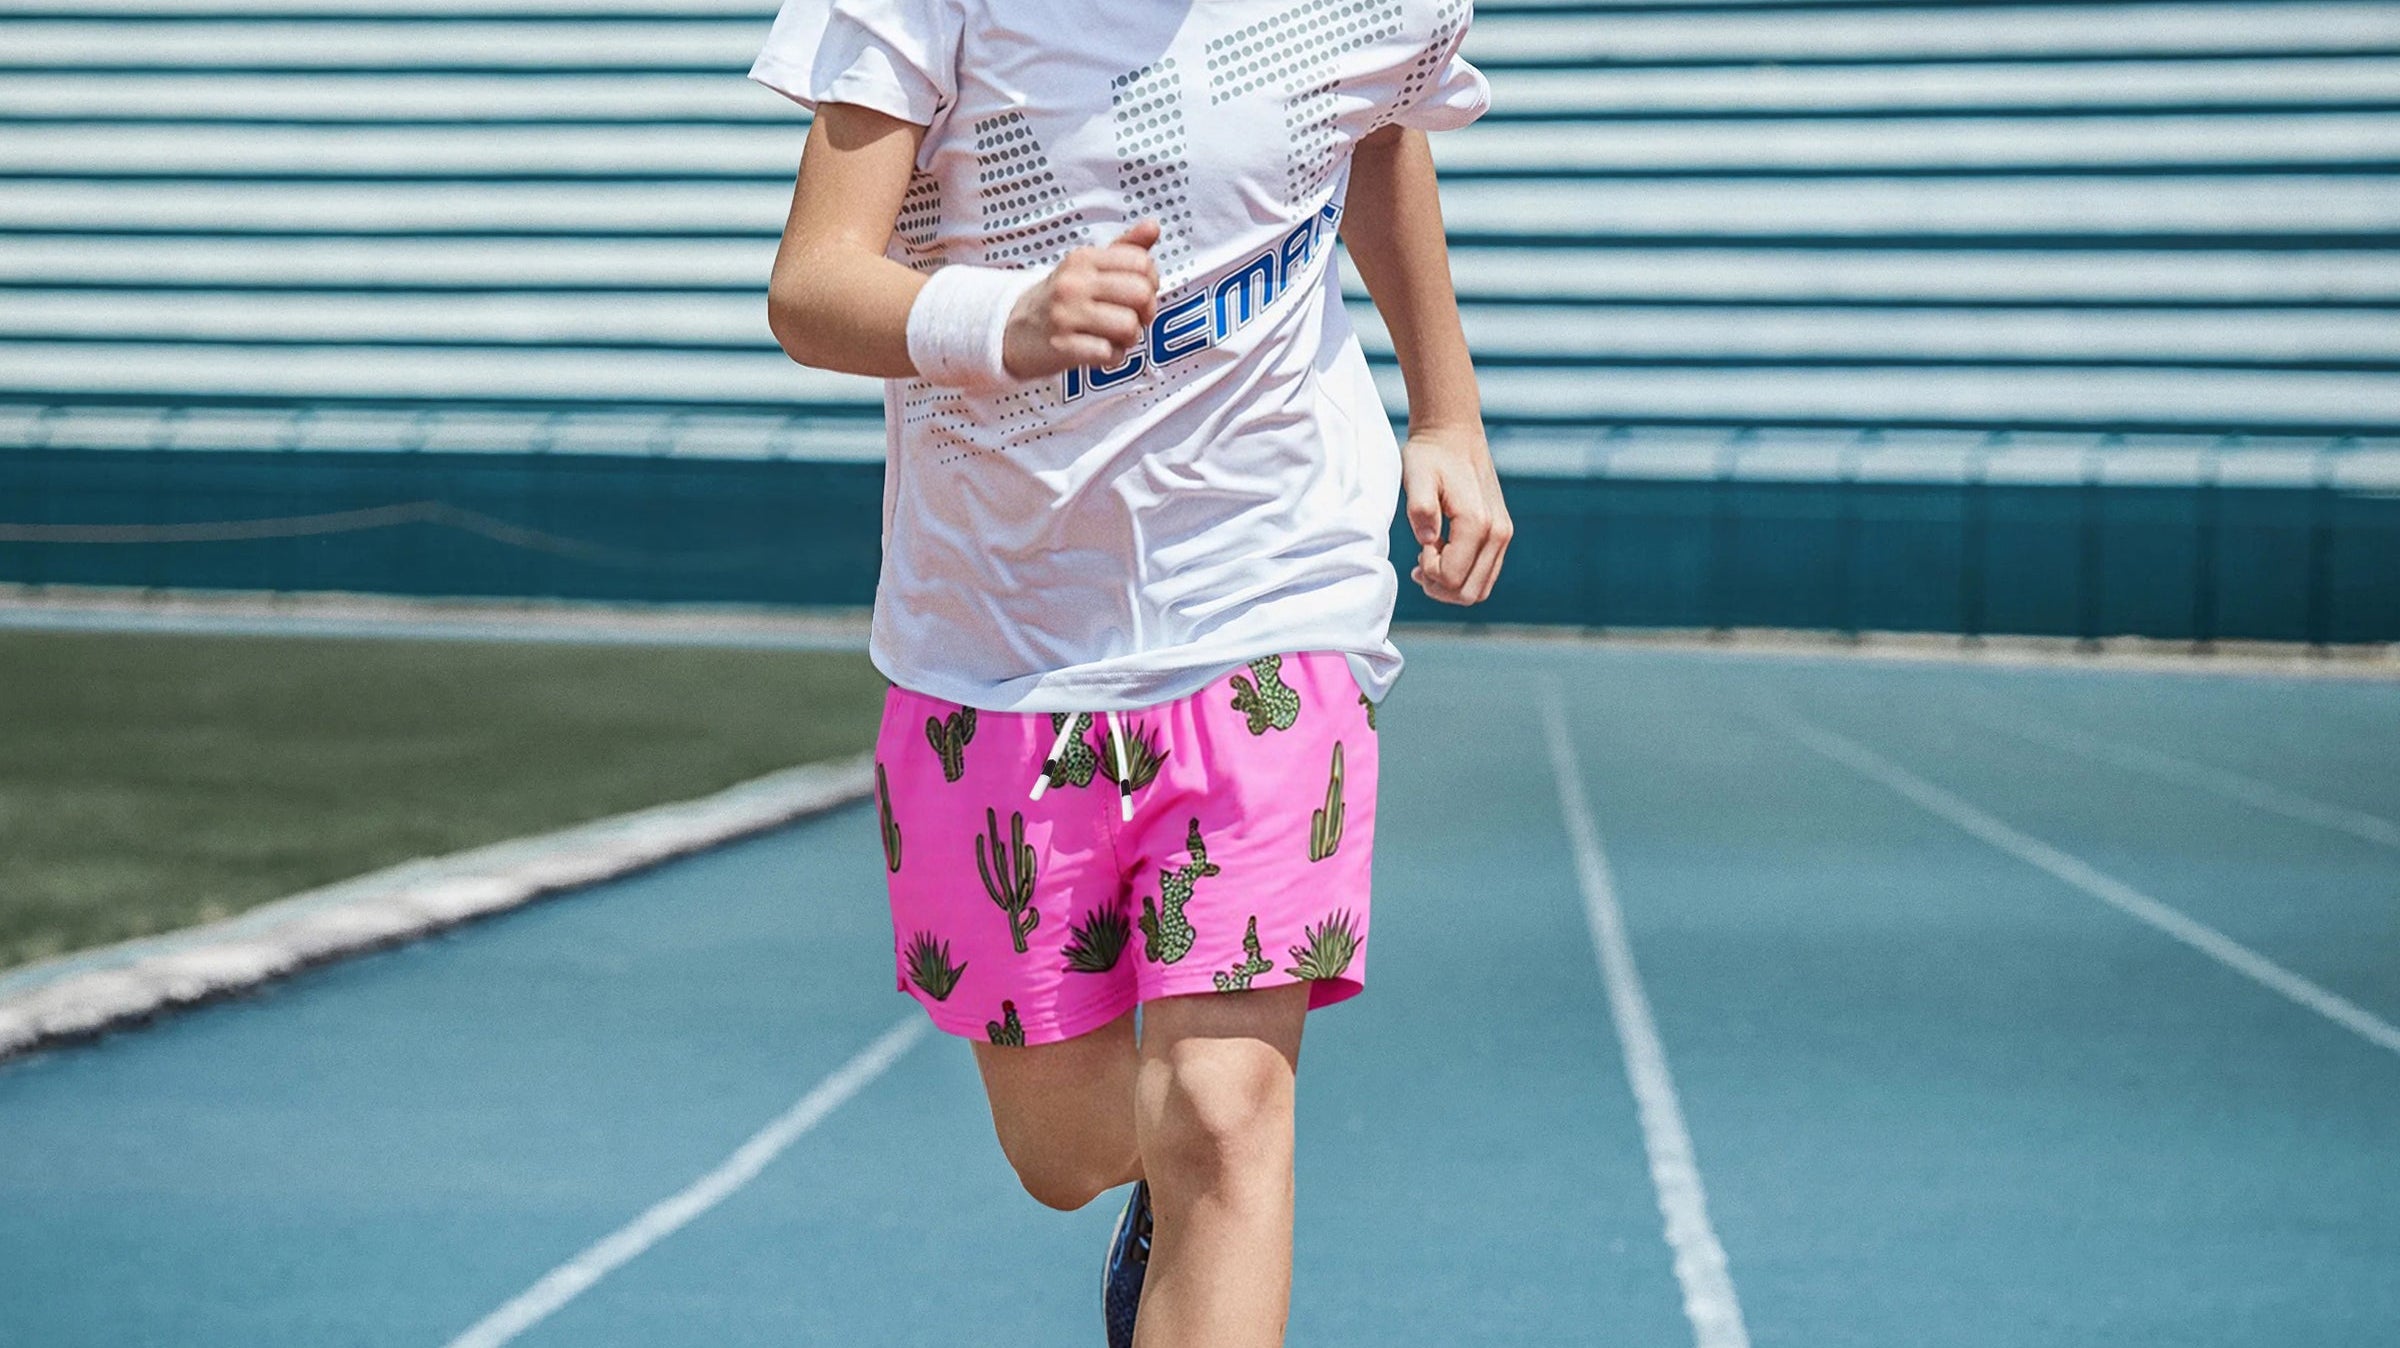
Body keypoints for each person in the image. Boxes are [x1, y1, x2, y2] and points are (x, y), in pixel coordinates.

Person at [749, 1, 1510, 1341]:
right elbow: (811, 285)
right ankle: (1157, 1195)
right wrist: (1011, 318)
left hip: (1269, 596)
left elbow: (1375, 126)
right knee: (1066, 1150)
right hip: (995, 643)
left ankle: (1198, 1192)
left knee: (1226, 1114)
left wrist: (1445, 410)